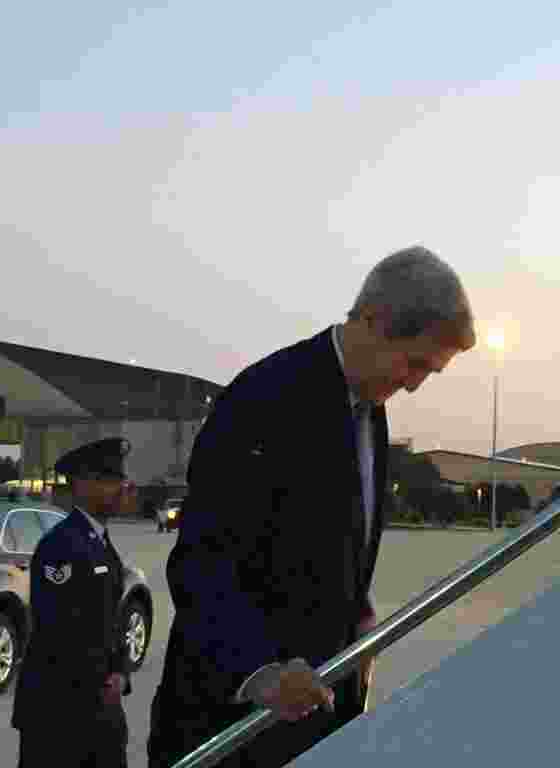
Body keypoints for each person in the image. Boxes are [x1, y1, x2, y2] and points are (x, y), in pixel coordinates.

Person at [147, 246, 476, 768]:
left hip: (318, 709)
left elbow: (336, 549)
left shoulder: (369, 410)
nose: (414, 384)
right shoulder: (265, 398)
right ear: (373, 320)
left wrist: (360, 624)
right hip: (235, 720)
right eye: (414, 363)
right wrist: (259, 669)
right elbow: (202, 562)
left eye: (429, 373)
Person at [11, 437, 134, 768]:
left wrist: (120, 672)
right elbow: (59, 629)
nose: (121, 487)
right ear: (81, 485)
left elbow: (110, 621)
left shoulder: (100, 544)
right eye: (109, 480)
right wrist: (101, 680)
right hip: (59, 711)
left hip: (96, 707)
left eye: (120, 479)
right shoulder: (61, 546)